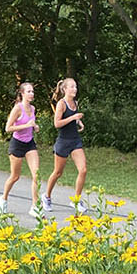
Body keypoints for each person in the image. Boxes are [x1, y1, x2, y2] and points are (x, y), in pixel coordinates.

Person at [42, 78, 88, 213]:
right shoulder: (61, 104)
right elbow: (57, 124)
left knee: (83, 170)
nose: (75, 89)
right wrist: (73, 118)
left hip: (75, 141)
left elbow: (74, 117)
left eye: (75, 87)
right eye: (72, 87)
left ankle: (76, 200)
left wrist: (79, 122)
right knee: (57, 172)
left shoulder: (75, 102)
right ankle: (47, 197)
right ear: (65, 89)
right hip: (63, 142)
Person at [0, 82, 41, 215]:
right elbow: (8, 128)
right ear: (22, 93)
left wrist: (34, 126)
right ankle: (3, 199)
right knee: (15, 176)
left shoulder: (33, 108)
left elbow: (30, 123)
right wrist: (26, 125)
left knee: (36, 175)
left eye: (33, 91)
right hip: (17, 144)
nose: (32, 94)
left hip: (30, 144)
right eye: (29, 91)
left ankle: (35, 207)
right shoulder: (18, 108)